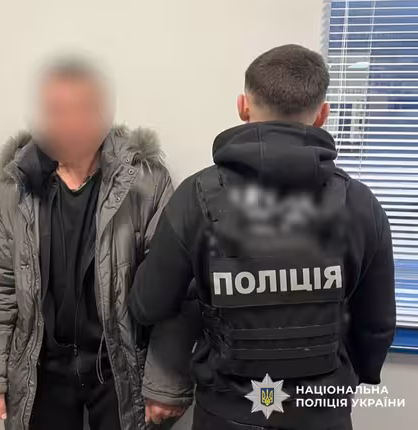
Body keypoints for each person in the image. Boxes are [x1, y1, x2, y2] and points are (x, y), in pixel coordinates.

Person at [129, 44, 396, 430]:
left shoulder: (195, 197)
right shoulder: (360, 203)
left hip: (226, 413)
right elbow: (376, 326)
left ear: (243, 107)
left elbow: (148, 304)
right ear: (322, 114)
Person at [0, 57, 194, 430]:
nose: (70, 123)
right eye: (57, 111)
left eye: (82, 109)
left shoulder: (146, 182)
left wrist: (165, 384)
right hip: (41, 370)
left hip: (120, 367)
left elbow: (174, 290)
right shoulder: (13, 185)